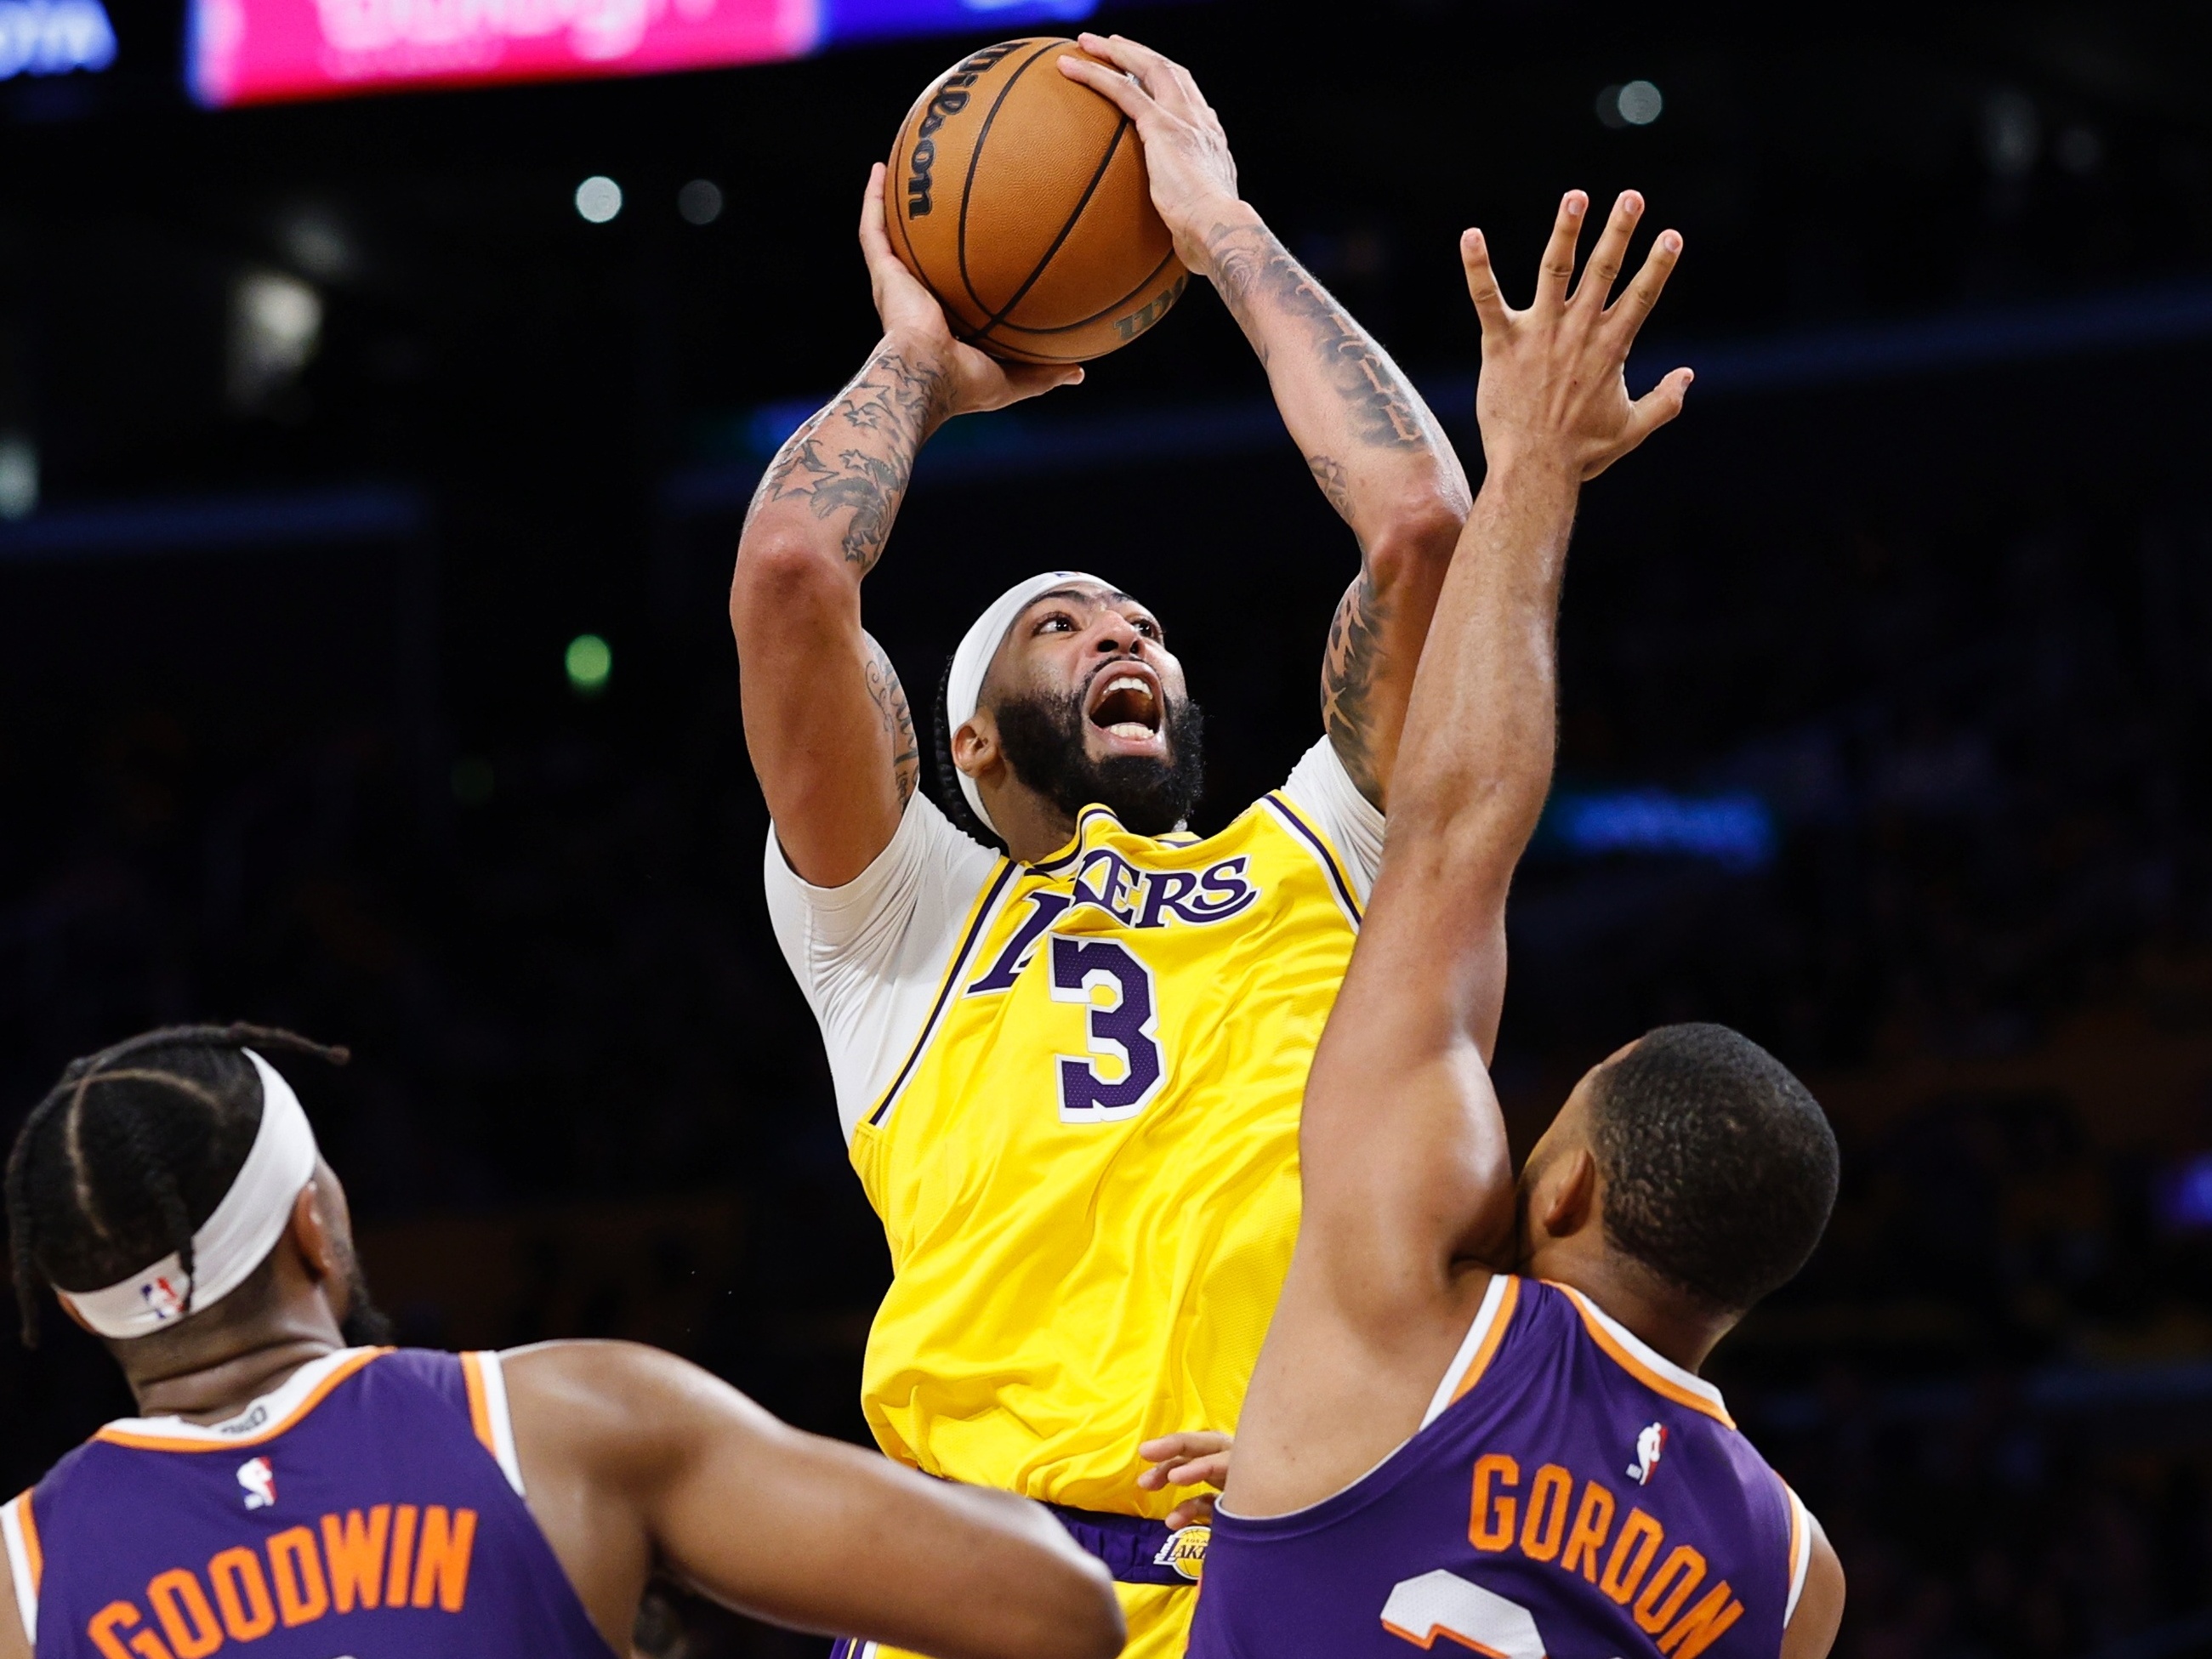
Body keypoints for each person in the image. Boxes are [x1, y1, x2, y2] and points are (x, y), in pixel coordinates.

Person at [730, 31, 1470, 1659]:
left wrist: (1217, 234)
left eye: (1138, 621)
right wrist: (916, 364)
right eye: (1058, 625)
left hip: (1286, 1567)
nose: (1119, 633)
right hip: (981, 1594)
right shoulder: (896, 926)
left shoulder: (1319, 854)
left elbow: (1421, 529)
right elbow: (791, 570)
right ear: (968, 740)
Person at [1172, 191, 1849, 1659]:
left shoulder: (1406, 1297)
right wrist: (1320, 1470)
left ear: (1564, 1192)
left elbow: (1455, 826)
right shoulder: (1793, 1579)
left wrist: (1534, 463)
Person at [0, 1024, 1123, 1659]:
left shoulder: (21, 1580)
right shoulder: (562, 1426)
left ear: (71, 1309)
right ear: (314, 1223)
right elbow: (1058, 1607)